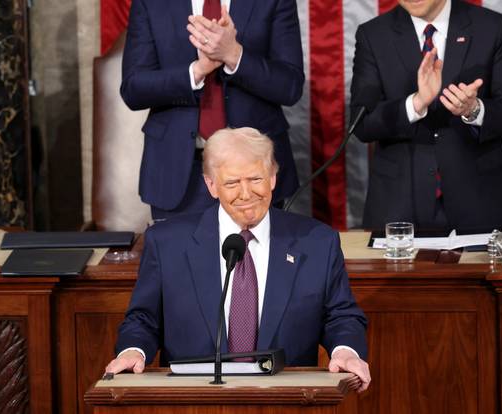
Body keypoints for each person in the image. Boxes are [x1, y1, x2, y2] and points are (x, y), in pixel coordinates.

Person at [105, 127, 371, 392]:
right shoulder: (167, 243)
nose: (246, 194)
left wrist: (346, 351)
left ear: (273, 178)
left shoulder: (317, 242)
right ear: (211, 185)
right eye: (232, 183)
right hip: (194, 400)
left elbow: (341, 315)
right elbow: (144, 318)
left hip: (286, 398)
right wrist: (133, 351)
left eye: (256, 179)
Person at [350, 0, 502, 231]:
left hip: (482, 203)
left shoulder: (492, 27)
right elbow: (362, 124)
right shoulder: (373, 34)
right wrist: (415, 103)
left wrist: (474, 110)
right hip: (401, 206)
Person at [121, 0, 304, 220]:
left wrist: (234, 55)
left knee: (257, 255)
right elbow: (133, 89)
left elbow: (290, 87)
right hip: (178, 172)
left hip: (255, 172)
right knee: (179, 254)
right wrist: (196, 71)